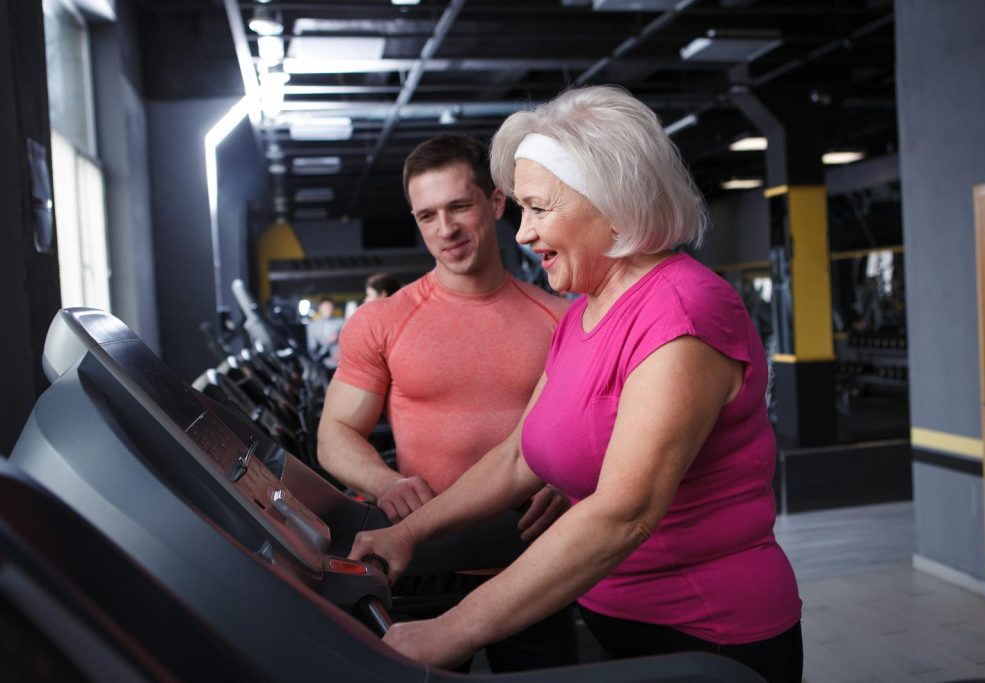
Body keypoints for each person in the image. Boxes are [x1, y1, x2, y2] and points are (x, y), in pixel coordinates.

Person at [349, 86, 803, 683]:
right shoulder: (589, 309)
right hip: (618, 617)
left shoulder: (683, 312)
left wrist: (452, 629)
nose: (522, 234)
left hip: (706, 635)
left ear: (612, 204)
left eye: (539, 210)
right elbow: (517, 456)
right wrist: (407, 533)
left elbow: (624, 513)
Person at [317, 134, 575, 672]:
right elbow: (335, 433)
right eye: (427, 215)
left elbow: (598, 430)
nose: (446, 229)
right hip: (422, 561)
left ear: (497, 202)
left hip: (530, 564)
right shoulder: (384, 321)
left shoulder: (562, 319)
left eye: (459, 206)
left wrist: (570, 477)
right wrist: (386, 482)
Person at [305, 298, 345, 369]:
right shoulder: (313, 325)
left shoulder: (342, 322)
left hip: (340, 362)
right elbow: (311, 348)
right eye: (325, 308)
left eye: (330, 307)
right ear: (320, 308)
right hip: (322, 363)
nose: (328, 310)